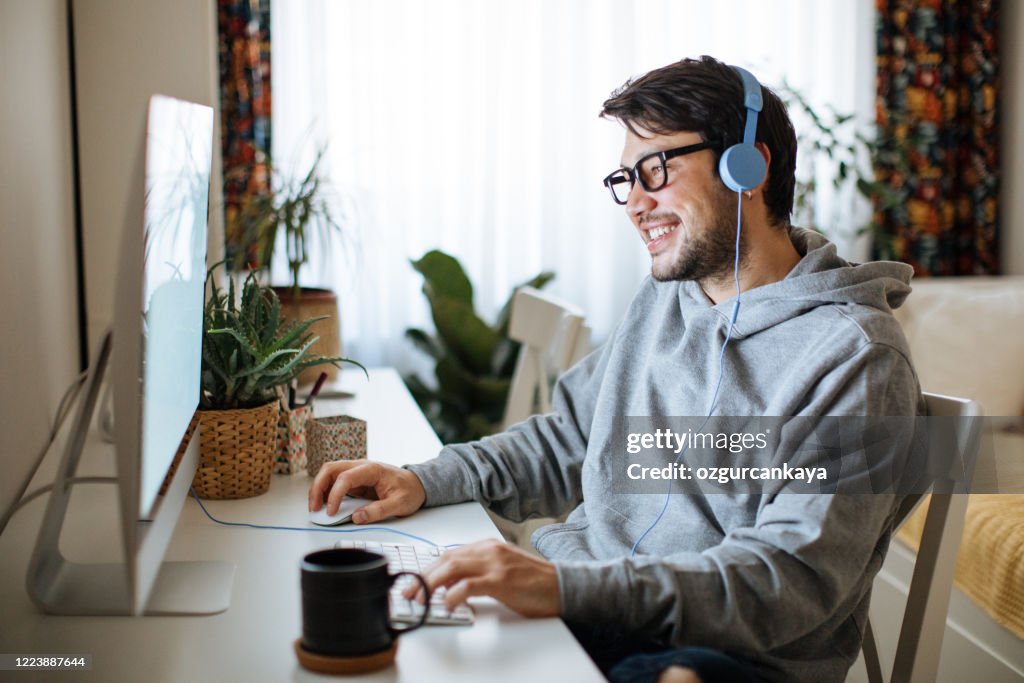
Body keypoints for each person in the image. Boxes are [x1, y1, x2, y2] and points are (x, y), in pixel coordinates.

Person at [309, 55, 922, 683]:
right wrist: (427, 479)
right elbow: (571, 441)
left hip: (717, 658)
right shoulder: (664, 299)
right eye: (626, 179)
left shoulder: (858, 359)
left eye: (656, 170)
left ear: (750, 165)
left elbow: (787, 579)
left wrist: (570, 589)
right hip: (585, 610)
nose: (635, 204)